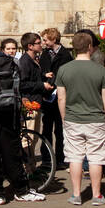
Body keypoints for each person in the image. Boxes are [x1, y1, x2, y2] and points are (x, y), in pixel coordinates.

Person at [0, 27, 45, 205]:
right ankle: (21, 190)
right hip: (10, 112)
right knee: (12, 152)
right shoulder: (13, 62)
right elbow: (18, 90)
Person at [55, 31, 105, 206]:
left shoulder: (64, 69)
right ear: (89, 47)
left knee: (75, 157)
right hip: (96, 119)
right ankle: (96, 195)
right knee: (96, 158)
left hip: (73, 118)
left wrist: (64, 117)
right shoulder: (101, 70)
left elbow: (61, 97)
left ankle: (76, 194)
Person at [40, 28, 72, 171]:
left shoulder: (65, 55)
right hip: (47, 97)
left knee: (59, 130)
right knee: (46, 128)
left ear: (53, 39)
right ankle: (46, 158)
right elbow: (41, 70)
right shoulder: (45, 54)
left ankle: (60, 158)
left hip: (60, 95)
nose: (44, 42)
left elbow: (67, 74)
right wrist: (44, 76)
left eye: (46, 40)